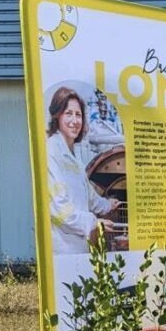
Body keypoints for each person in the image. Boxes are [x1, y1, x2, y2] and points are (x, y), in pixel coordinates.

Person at [46, 86, 119, 254]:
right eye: (68, 113)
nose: (74, 121)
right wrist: (94, 222)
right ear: (57, 116)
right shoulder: (51, 151)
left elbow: (89, 195)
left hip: (79, 248)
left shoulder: (74, 157)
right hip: (62, 248)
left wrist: (108, 205)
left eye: (78, 115)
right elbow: (59, 210)